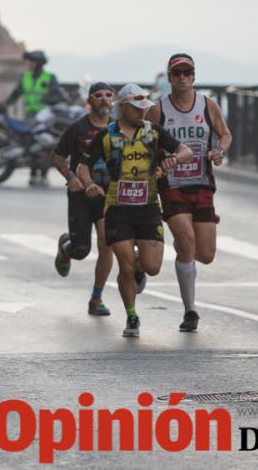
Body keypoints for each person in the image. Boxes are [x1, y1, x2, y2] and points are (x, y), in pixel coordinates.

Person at [76, 84, 193, 338]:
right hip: (117, 208)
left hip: (148, 207)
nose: (142, 113)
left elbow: (186, 150)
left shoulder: (154, 132)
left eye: (144, 108)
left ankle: (140, 267)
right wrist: (89, 185)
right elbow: (82, 166)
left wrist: (174, 160)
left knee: (152, 267)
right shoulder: (106, 136)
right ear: (123, 108)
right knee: (125, 266)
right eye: (137, 108)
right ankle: (131, 315)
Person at [146, 53, 232, 332]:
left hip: (202, 183)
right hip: (171, 184)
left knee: (205, 254)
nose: (182, 77)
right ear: (169, 78)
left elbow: (225, 134)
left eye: (187, 72)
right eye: (177, 73)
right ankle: (190, 311)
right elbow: (142, 141)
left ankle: (184, 256)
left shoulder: (208, 105)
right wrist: (157, 164)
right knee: (185, 239)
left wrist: (219, 151)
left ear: (194, 76)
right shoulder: (159, 110)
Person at [52, 82, 116, 316]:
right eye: (98, 95)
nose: (103, 99)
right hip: (80, 194)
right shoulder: (78, 128)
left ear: (114, 101)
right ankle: (66, 248)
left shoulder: (116, 129)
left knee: (106, 243)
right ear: (90, 100)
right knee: (82, 250)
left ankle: (96, 298)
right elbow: (58, 156)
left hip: (106, 194)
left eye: (108, 95)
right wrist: (70, 177)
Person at [8, 50, 63, 185]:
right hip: (30, 116)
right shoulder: (25, 77)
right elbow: (16, 93)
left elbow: (58, 95)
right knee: (30, 145)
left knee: (44, 146)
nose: (29, 64)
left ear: (38, 63)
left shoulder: (49, 77)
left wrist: (47, 99)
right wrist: (4, 104)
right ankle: (33, 174)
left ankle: (43, 174)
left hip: (46, 117)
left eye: (31, 62)